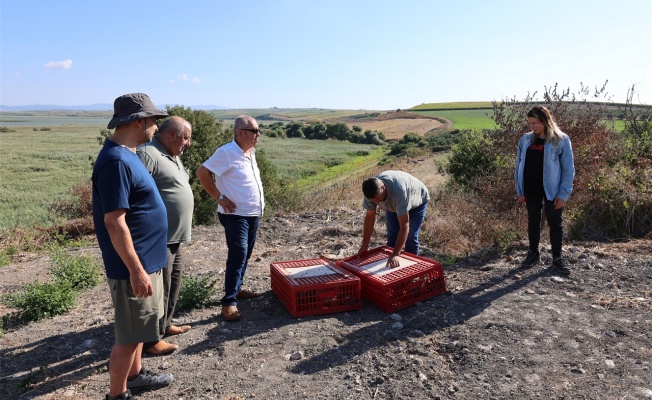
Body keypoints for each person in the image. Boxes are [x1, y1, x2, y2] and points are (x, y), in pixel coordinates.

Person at [93, 93, 174, 400]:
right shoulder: (115, 161)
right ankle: (117, 394)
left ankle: (136, 376)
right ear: (139, 122)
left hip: (145, 261)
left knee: (139, 329)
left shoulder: (128, 153)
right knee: (128, 336)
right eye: (153, 121)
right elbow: (114, 222)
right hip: (133, 267)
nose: (155, 127)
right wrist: (136, 270)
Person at [196, 115, 264, 321]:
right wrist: (219, 197)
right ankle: (228, 303)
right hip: (235, 215)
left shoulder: (249, 152)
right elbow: (202, 173)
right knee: (238, 254)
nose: (258, 135)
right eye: (255, 131)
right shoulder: (226, 152)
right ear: (241, 132)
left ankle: (237, 289)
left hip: (252, 213)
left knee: (246, 254)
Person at [137, 116, 193, 356]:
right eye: (186, 137)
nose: (188, 143)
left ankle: (166, 325)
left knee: (173, 284)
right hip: (159, 237)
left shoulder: (171, 154)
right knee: (160, 288)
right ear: (172, 134)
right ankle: (151, 340)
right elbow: (138, 193)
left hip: (175, 236)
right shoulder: (148, 154)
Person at [515, 105, 575, 275]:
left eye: (535, 123)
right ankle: (533, 253)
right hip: (530, 188)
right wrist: (519, 189)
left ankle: (557, 258)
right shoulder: (525, 140)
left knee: (555, 222)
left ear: (545, 120)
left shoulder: (561, 140)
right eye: (530, 123)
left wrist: (563, 193)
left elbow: (568, 169)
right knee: (533, 220)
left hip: (553, 190)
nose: (532, 127)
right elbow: (519, 165)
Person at [358, 170, 430, 268]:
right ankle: (389, 269)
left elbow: (404, 225)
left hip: (417, 201)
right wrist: (364, 245)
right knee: (392, 236)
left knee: (411, 237)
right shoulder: (371, 192)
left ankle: (411, 270)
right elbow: (370, 218)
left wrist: (396, 254)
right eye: (373, 201)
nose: (376, 202)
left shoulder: (399, 191)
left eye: (378, 199)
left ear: (383, 188)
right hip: (393, 203)